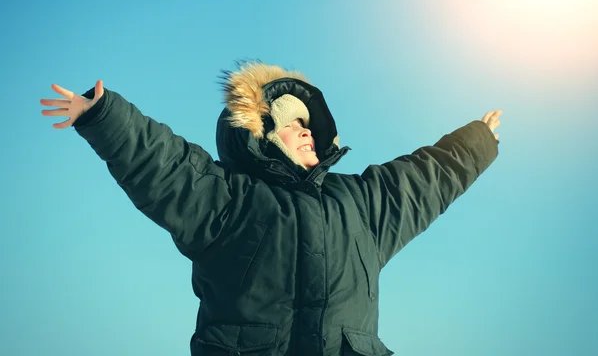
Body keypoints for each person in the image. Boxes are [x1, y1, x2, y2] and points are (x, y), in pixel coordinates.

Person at [40, 61, 501, 356]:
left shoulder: (359, 204)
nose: (306, 133)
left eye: (309, 127)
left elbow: (422, 181)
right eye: (291, 125)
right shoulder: (229, 199)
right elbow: (166, 165)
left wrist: (477, 141)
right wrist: (103, 116)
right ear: (260, 135)